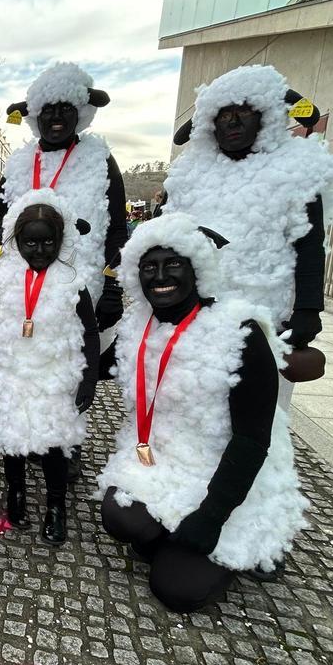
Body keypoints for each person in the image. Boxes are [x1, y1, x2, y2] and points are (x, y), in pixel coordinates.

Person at [96, 212, 303, 612]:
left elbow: (252, 439)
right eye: (149, 267)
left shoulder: (239, 332)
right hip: (163, 461)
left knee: (176, 590)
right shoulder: (140, 326)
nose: (160, 276)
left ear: (198, 269)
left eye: (173, 264)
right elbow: (100, 365)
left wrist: (211, 516)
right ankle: (170, 537)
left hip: (224, 477)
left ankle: (210, 545)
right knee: (121, 518)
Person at [162, 65, 333, 405]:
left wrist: (307, 309)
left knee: (255, 409)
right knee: (191, 402)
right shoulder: (188, 174)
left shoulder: (295, 170)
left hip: (263, 313)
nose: (232, 122)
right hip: (194, 313)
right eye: (223, 114)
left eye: (243, 112)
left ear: (266, 116)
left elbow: (309, 244)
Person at [0, 193, 99, 544]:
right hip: (11, 372)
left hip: (54, 376)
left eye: (47, 242)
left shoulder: (72, 282)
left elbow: (90, 333)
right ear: (16, 241)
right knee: (13, 440)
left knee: (53, 444)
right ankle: (16, 493)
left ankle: (56, 506)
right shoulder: (4, 278)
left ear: (60, 240)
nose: (39, 250)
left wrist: (88, 381)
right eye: (30, 242)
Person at [0, 63, 129, 336]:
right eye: (48, 109)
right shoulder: (18, 163)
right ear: (34, 116)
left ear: (80, 111)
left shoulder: (99, 159)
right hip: (21, 291)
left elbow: (116, 230)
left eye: (65, 108)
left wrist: (113, 286)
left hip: (79, 290)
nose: (56, 117)